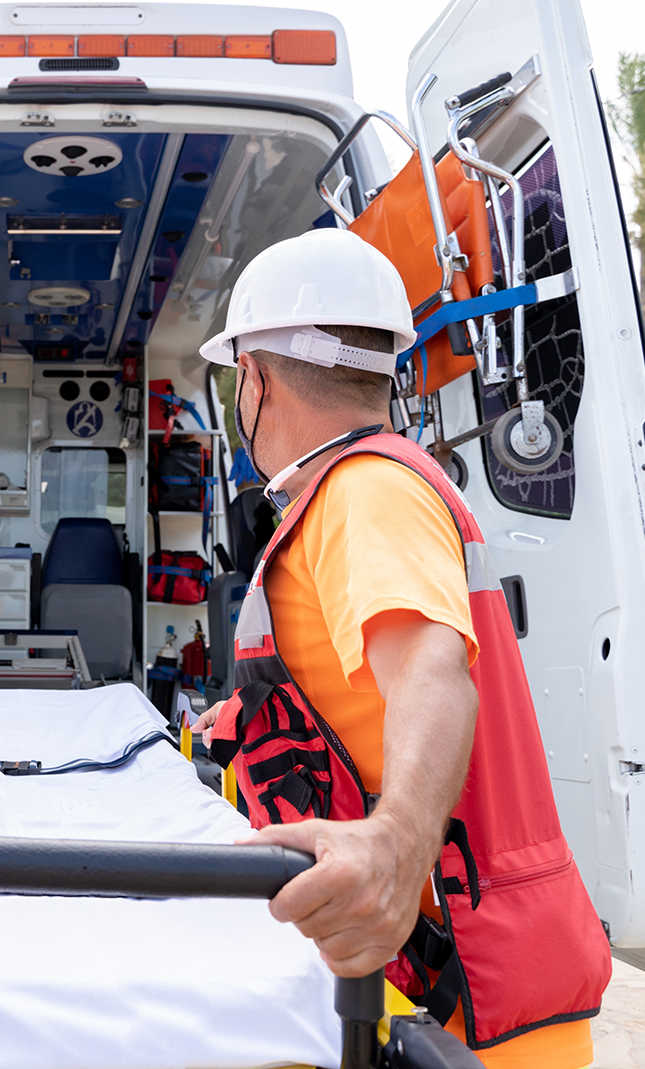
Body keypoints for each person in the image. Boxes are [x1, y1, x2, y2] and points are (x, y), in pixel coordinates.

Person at [195, 228, 610, 1067]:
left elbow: (431, 668)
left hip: (466, 1007)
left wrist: (392, 846)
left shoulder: (366, 492)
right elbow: (369, 691)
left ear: (256, 379)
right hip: (450, 975)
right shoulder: (371, 488)